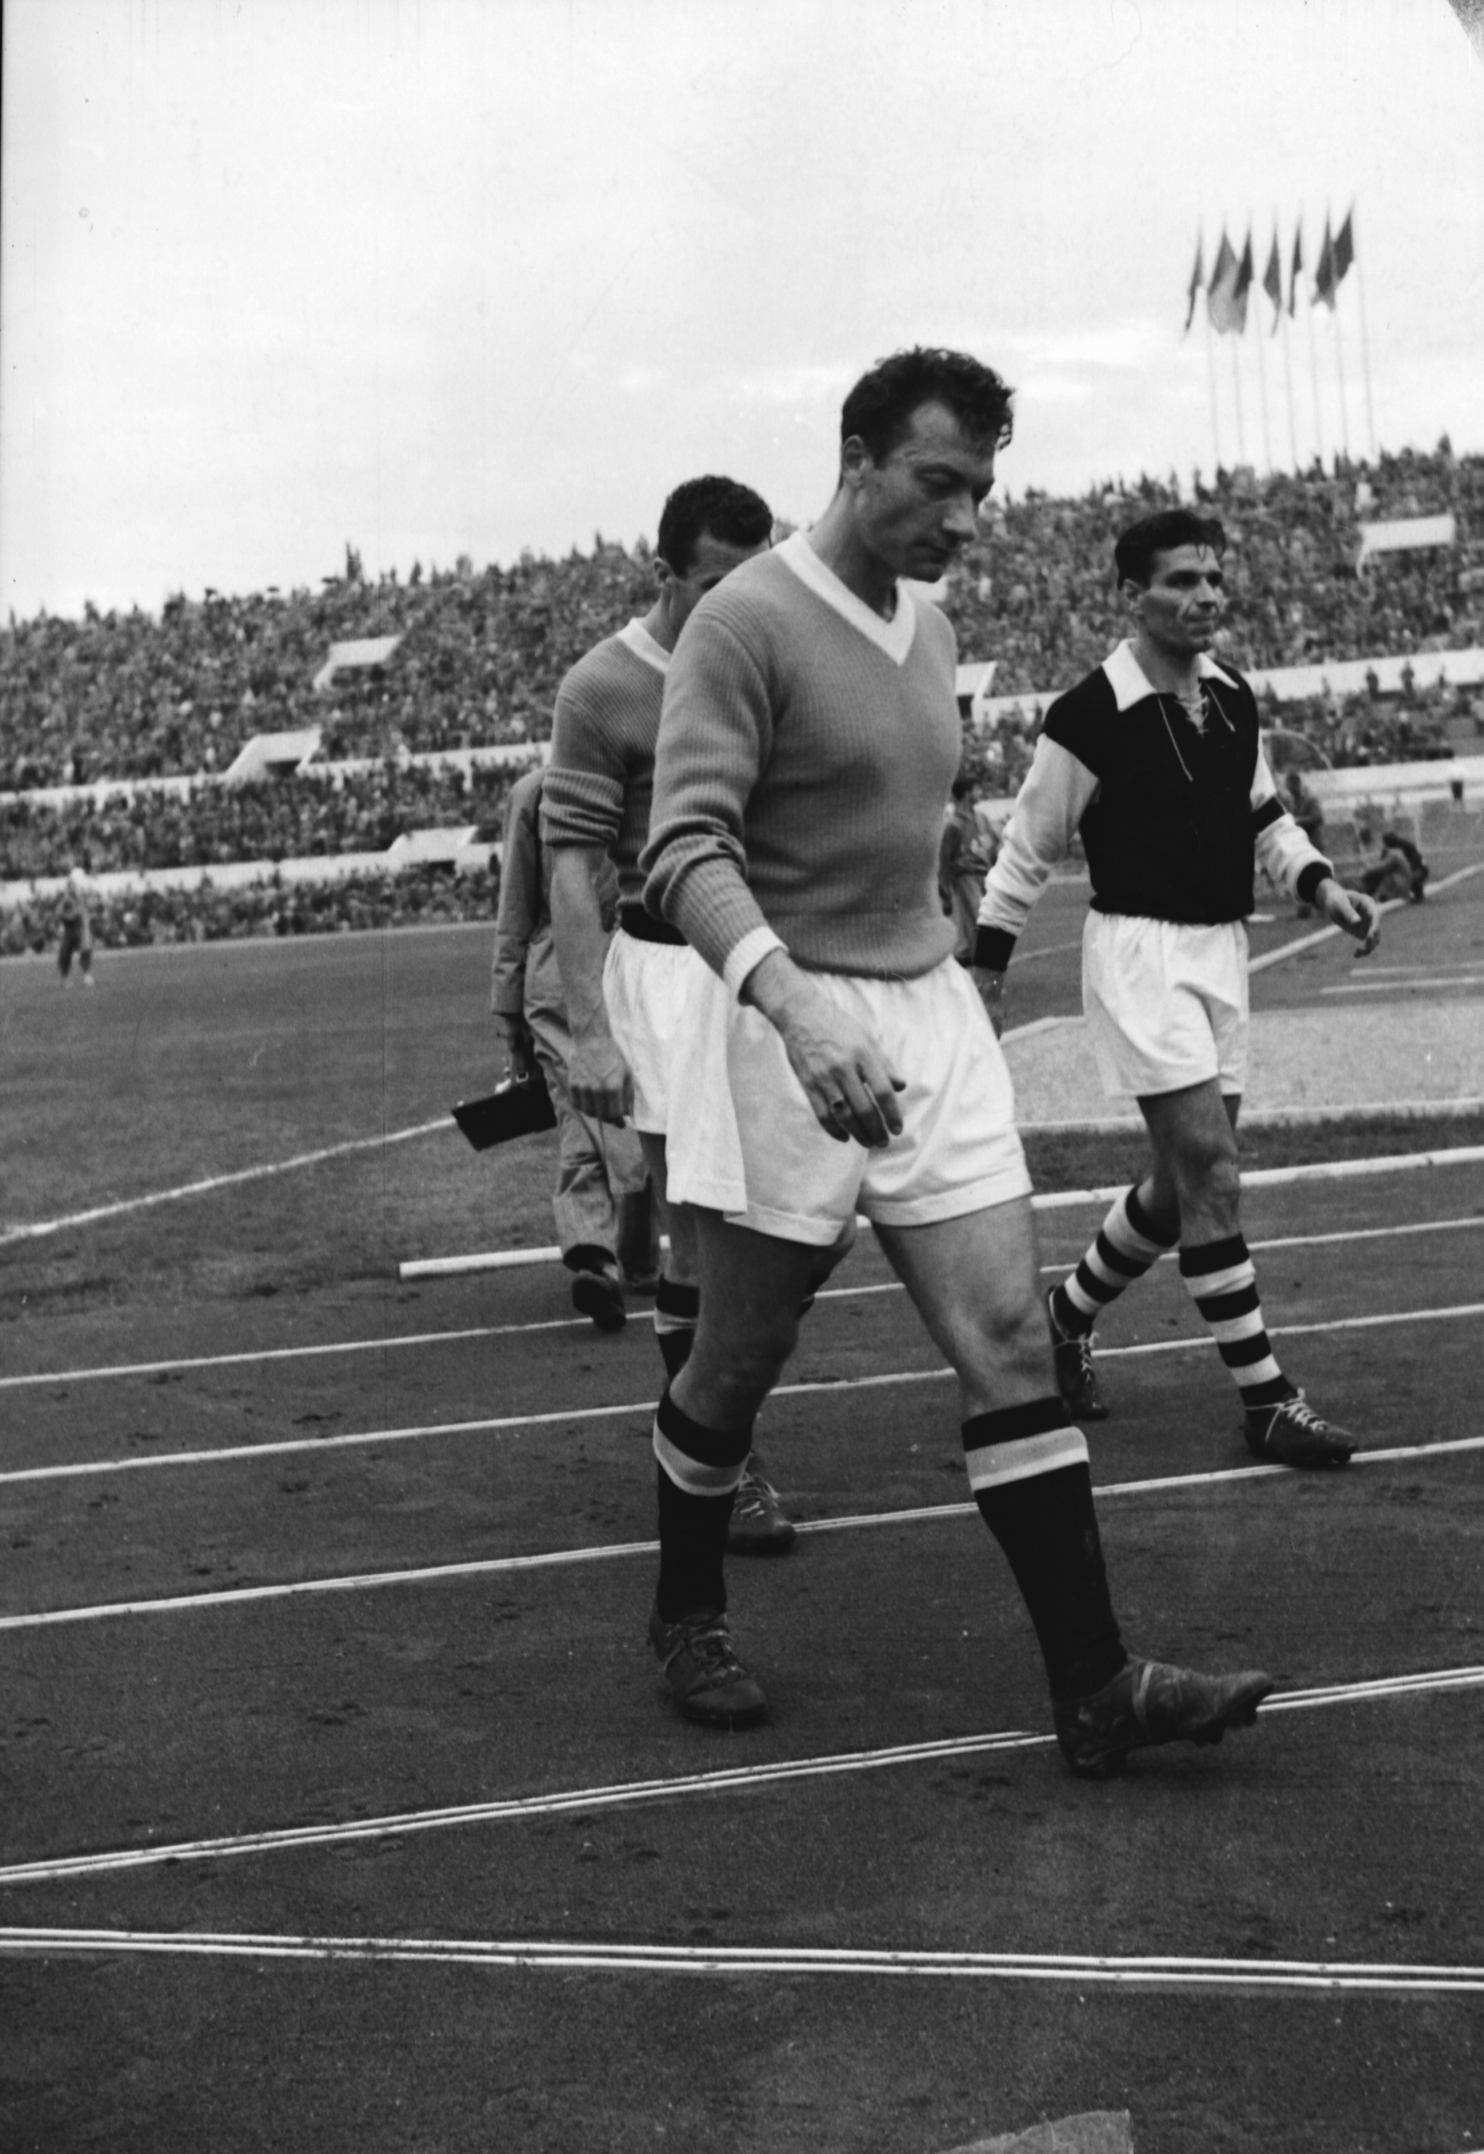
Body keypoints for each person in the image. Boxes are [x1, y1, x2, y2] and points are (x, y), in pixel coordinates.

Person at [639, 350, 1273, 1778]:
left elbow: (906, 819)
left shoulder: (929, 629)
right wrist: (797, 1010)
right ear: (856, 458)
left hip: (926, 1012)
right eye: (937, 483)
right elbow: (682, 850)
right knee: (736, 1362)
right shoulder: (742, 624)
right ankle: (685, 1610)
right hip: (783, 1021)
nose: (965, 518)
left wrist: (955, 934)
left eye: (980, 489)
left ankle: (1095, 1684)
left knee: (1005, 1338)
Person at [975, 508, 1382, 1469]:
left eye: (1214, 579)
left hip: (1220, 952)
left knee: (1178, 1185)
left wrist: (1324, 888)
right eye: (1183, 581)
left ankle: (1064, 1318)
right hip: (1140, 957)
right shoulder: (1088, 714)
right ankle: (1267, 1400)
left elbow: (1266, 818)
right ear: (1134, 595)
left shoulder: (1232, 694)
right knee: (1212, 1170)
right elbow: (1028, 850)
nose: (1206, 597)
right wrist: (986, 970)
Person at [540, 474, 795, 1551]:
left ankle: (709, 1428)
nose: (739, 604)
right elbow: (570, 863)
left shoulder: (771, 653)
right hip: (667, 973)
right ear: (663, 574)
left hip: (771, 965)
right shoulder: (602, 686)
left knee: (791, 1227)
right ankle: (717, 1465)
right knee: (696, 1232)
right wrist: (590, 1030)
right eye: (715, 584)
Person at [490, 766, 656, 1329]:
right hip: (590, 968)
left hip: (594, 968)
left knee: (597, 1111)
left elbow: (514, 907)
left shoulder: (539, 791)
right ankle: (609, 1258)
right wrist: (509, 1006)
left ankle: (614, 1257)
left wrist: (509, 1008)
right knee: (604, 1110)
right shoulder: (547, 791)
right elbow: (516, 904)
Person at [938, 775, 989, 962]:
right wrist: (945, 892)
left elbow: (989, 846)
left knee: (986, 919)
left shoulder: (982, 819)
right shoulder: (952, 825)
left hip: (985, 875)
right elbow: (944, 859)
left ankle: (963, 956)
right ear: (967, 794)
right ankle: (982, 964)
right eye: (977, 789)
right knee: (979, 918)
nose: (980, 792)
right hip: (965, 876)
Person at [57, 873, 95, 985]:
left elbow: (84, 913)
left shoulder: (79, 899)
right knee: (65, 955)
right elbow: (61, 914)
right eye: (69, 886)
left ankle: (86, 975)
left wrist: (85, 924)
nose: (71, 888)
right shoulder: (65, 901)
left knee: (86, 951)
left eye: (73, 886)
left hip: (80, 929)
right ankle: (64, 979)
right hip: (69, 930)